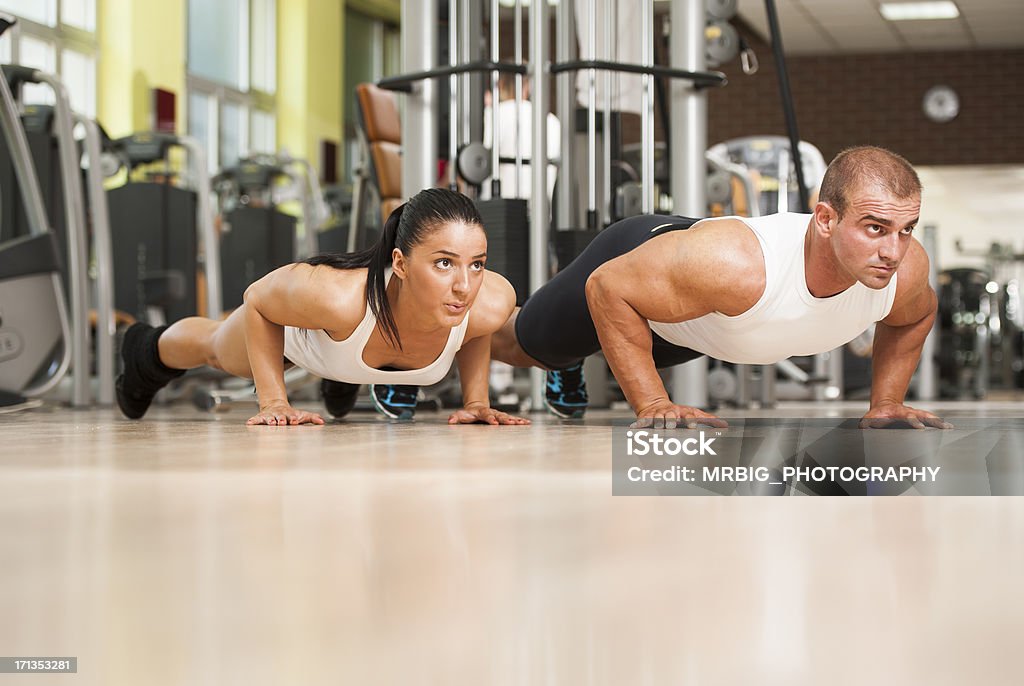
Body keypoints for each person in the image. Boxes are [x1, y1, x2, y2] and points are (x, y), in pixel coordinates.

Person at [489, 145, 952, 429]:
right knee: (519, 344)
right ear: (826, 219)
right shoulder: (734, 266)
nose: (893, 250)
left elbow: (916, 316)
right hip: (636, 269)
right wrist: (652, 403)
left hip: (695, 321)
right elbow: (608, 287)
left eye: (905, 228)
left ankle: (567, 360)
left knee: (622, 345)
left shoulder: (904, 269)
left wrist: (887, 402)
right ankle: (430, 344)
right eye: (875, 228)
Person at [115, 187, 529, 427]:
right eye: (444, 263)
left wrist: (476, 401)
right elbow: (257, 300)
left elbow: (473, 331)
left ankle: (342, 378)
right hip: (299, 334)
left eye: (476, 264)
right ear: (400, 263)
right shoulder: (335, 297)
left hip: (348, 345)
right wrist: (274, 401)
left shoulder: (489, 302)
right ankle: (144, 351)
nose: (464, 285)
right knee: (218, 350)